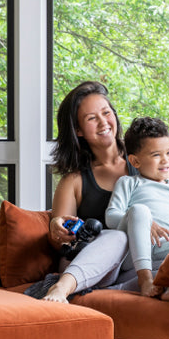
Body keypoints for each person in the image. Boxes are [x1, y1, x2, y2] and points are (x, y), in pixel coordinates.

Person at [28, 81, 139, 303]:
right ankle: (61, 288)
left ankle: (114, 293)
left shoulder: (143, 160)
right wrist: (56, 228)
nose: (103, 122)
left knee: (162, 264)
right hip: (93, 266)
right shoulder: (74, 181)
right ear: (78, 130)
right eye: (91, 118)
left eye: (106, 113)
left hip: (136, 265)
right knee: (119, 236)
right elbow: (61, 242)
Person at [105, 117, 169, 299]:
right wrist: (145, 222)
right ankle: (145, 278)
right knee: (140, 210)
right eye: (156, 155)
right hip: (133, 249)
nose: (165, 160)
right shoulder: (129, 183)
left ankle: (167, 289)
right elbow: (111, 217)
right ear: (135, 161)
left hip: (165, 248)